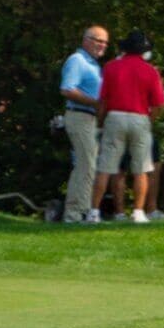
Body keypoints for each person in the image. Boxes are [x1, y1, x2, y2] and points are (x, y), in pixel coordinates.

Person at [96, 33, 164, 223]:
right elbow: (159, 103)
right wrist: (149, 120)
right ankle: (138, 212)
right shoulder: (150, 71)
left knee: (107, 167)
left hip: (115, 117)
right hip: (139, 117)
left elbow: (103, 100)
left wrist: (100, 122)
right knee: (141, 168)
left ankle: (97, 212)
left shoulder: (111, 67)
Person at [56, 25, 109, 225]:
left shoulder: (94, 65)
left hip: (90, 118)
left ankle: (83, 211)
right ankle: (74, 214)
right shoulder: (77, 61)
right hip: (79, 116)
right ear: (86, 40)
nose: (102, 45)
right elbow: (67, 89)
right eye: (98, 40)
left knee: (88, 165)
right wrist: (95, 103)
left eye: (105, 42)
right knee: (86, 164)